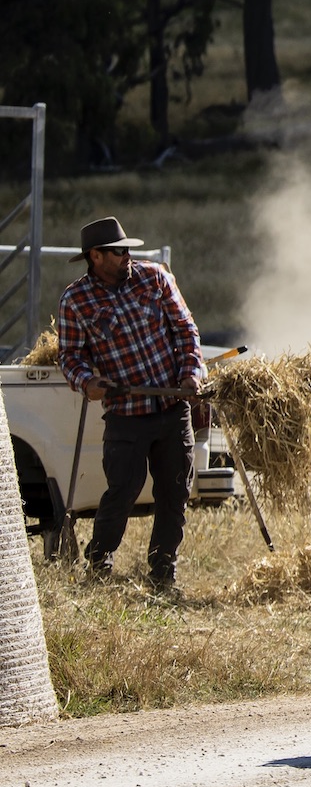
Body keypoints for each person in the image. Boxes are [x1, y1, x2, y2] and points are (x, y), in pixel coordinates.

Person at [55, 217, 203, 588]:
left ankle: (162, 570)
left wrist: (191, 373)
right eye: (118, 252)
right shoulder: (76, 300)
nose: (126, 257)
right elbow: (70, 356)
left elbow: (186, 330)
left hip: (172, 408)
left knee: (174, 491)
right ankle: (99, 563)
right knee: (122, 491)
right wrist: (88, 382)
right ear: (95, 256)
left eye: (127, 250)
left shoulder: (154, 278)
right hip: (125, 414)